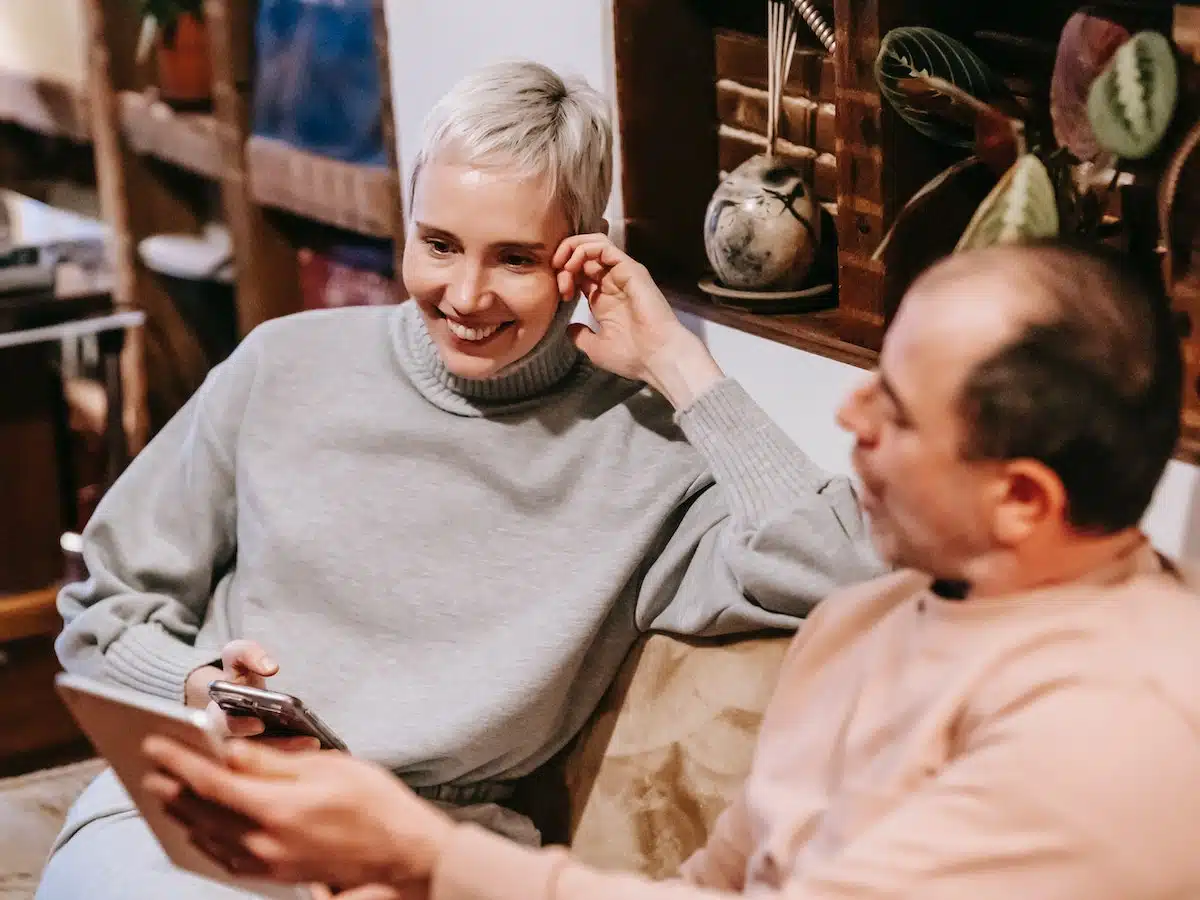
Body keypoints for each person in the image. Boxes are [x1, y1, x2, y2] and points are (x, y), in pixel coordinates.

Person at [35, 61, 881, 900]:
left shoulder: (652, 456)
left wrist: (681, 365)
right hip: (219, 793)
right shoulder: (281, 366)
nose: (466, 295)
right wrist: (198, 685)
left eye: (515, 258)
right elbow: (102, 611)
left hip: (424, 848)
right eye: (438, 245)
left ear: (583, 256)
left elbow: (849, 574)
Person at [143, 240, 1200, 900]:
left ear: (1022, 499)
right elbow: (712, 884)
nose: (847, 417)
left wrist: (424, 855)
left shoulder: (1120, 731)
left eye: (895, 413)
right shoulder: (875, 617)